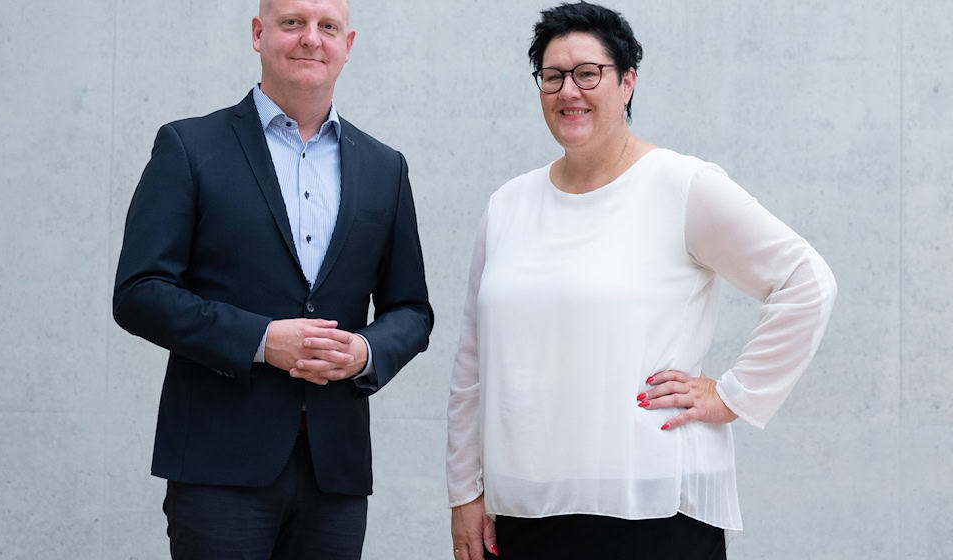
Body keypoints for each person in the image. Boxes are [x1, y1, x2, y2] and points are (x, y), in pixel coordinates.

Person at [446, 3, 837, 559]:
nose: (568, 91)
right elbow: (471, 364)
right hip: (523, 511)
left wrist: (731, 394)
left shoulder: (681, 186)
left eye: (588, 73)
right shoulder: (508, 204)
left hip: (651, 511)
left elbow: (807, 281)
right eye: (552, 76)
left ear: (628, 81)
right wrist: (465, 490)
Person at [112, 0, 433, 557]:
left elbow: (411, 310)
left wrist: (363, 350)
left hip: (336, 473)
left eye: (327, 27)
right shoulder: (189, 147)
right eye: (293, 23)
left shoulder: (386, 167)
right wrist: (261, 342)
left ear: (347, 46)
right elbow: (139, 293)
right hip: (219, 468)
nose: (311, 39)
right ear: (259, 34)